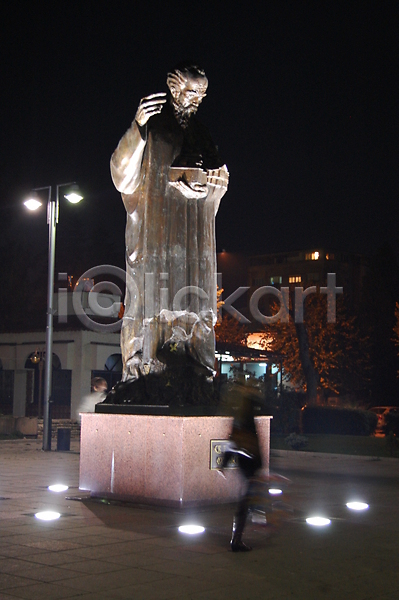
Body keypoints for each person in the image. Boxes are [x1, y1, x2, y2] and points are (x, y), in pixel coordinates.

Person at [110, 64, 229, 382]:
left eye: (202, 93)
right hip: (157, 230)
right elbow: (122, 174)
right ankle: (146, 362)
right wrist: (137, 127)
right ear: (175, 89)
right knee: (155, 292)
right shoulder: (153, 125)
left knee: (193, 295)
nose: (198, 100)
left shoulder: (201, 132)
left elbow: (218, 176)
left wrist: (209, 186)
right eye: (193, 91)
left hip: (193, 233)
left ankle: (194, 359)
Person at [222, 382, 262, 552]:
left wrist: (225, 462)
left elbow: (233, 439)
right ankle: (237, 539)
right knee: (246, 498)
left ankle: (238, 535)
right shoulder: (246, 413)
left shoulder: (241, 413)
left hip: (246, 459)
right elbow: (241, 439)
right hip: (248, 460)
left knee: (248, 496)